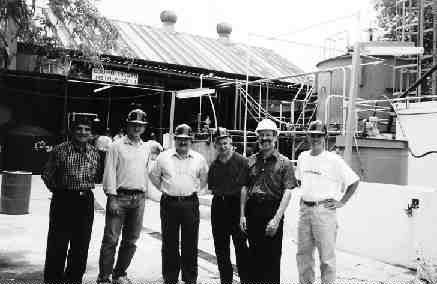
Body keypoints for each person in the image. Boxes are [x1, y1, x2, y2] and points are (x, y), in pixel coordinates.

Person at [97, 109, 162, 284]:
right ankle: (104, 277)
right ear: (127, 125)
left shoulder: (146, 148)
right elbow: (109, 171)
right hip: (119, 197)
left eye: (140, 126)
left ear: (145, 127)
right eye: (133, 124)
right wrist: (111, 197)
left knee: (131, 240)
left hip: (139, 199)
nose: (136, 128)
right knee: (111, 239)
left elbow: (147, 171)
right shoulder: (115, 146)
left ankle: (120, 274)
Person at [295, 120, 360, 284]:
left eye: (319, 135)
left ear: (325, 137)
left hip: (324, 212)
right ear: (308, 137)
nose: (315, 138)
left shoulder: (333, 160)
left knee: (327, 259)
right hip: (304, 211)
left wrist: (341, 202)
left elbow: (354, 181)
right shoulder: (302, 157)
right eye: (313, 135)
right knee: (303, 256)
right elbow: (299, 180)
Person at [42, 113, 102, 284]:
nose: (83, 132)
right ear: (72, 131)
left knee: (81, 245)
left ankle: (74, 279)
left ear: (91, 133)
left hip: (85, 201)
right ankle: (53, 280)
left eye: (87, 130)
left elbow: (96, 175)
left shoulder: (94, 152)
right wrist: (60, 191)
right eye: (79, 129)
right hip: (63, 200)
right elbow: (47, 175)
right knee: (57, 244)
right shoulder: (60, 150)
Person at [149, 124, 209, 284]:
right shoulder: (164, 157)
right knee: (169, 242)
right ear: (175, 139)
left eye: (186, 139)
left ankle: (190, 278)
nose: (183, 142)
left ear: (191, 140)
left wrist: (195, 190)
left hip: (190, 203)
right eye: (180, 139)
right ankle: (170, 277)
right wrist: (163, 188)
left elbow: (204, 178)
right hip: (169, 203)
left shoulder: (199, 159)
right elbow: (153, 175)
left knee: (190, 242)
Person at [240, 118, 297, 284]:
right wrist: (242, 215)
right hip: (252, 211)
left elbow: (287, 192)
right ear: (258, 138)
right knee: (254, 256)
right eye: (261, 135)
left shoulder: (284, 163)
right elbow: (244, 188)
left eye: (268, 135)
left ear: (275, 138)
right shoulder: (250, 161)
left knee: (271, 258)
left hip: (272, 211)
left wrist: (277, 219)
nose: (265, 139)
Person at [208, 127, 250, 284]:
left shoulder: (242, 162)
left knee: (240, 247)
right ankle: (226, 280)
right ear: (215, 146)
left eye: (225, 143)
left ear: (231, 143)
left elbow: (245, 189)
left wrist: (242, 214)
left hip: (236, 205)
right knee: (221, 248)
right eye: (219, 144)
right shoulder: (214, 165)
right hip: (219, 206)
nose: (223, 146)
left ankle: (246, 279)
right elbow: (212, 188)